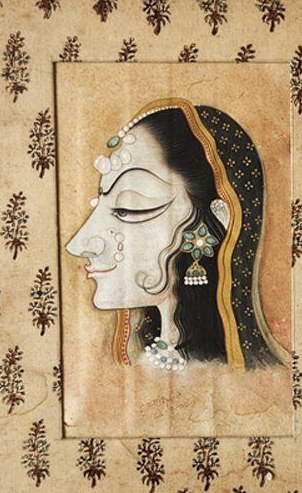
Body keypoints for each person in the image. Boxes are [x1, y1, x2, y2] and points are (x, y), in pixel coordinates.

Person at [65, 97, 289, 372]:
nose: (79, 245)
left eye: (129, 208)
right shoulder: (127, 370)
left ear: (219, 220)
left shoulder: (261, 378)